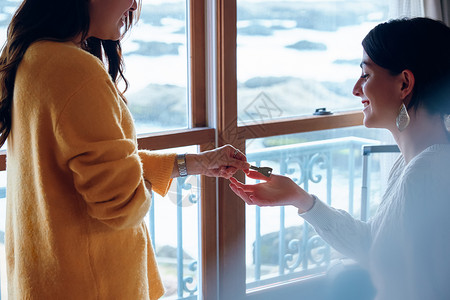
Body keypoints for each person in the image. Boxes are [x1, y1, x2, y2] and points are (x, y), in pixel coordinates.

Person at [0, 0, 249, 299]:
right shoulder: (75, 70)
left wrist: (195, 163)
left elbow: (93, 166)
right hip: (92, 287)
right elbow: (120, 203)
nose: (133, 5)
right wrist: (135, 186)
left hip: (48, 280)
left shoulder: (34, 56)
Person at [229, 17, 450, 300]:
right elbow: (375, 245)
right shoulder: (412, 164)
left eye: (366, 75)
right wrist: (301, 199)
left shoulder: (426, 173)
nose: (356, 89)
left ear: (404, 83)